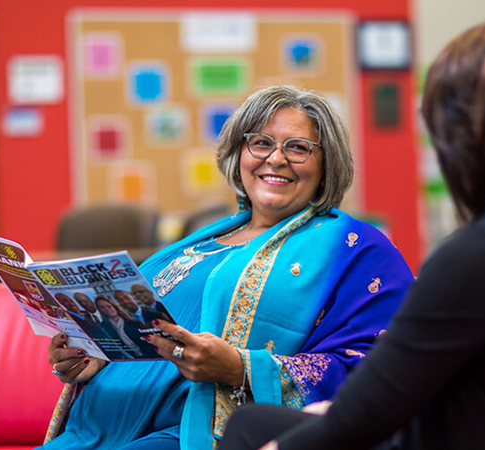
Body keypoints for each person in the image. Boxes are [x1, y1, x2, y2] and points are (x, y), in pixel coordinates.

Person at [219, 18, 485, 450]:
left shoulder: (484, 256)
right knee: (255, 423)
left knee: (253, 433)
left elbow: (367, 415)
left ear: (465, 141)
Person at [41, 85, 414, 450]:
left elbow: (376, 371)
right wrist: (93, 357)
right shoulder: (198, 240)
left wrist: (241, 369)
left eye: (298, 148)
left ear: (326, 163)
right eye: (261, 142)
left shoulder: (353, 247)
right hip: (92, 428)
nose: (276, 159)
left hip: (184, 431)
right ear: (240, 154)